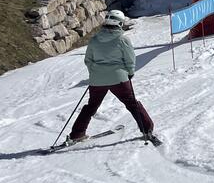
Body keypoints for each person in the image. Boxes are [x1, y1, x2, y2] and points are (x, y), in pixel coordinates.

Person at [67, 9, 156, 144]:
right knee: (131, 103)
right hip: (118, 78)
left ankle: (77, 134)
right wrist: (129, 72)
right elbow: (130, 59)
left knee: (91, 106)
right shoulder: (122, 39)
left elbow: (88, 60)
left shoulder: (95, 40)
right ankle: (147, 129)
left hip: (97, 80)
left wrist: (96, 72)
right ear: (119, 24)